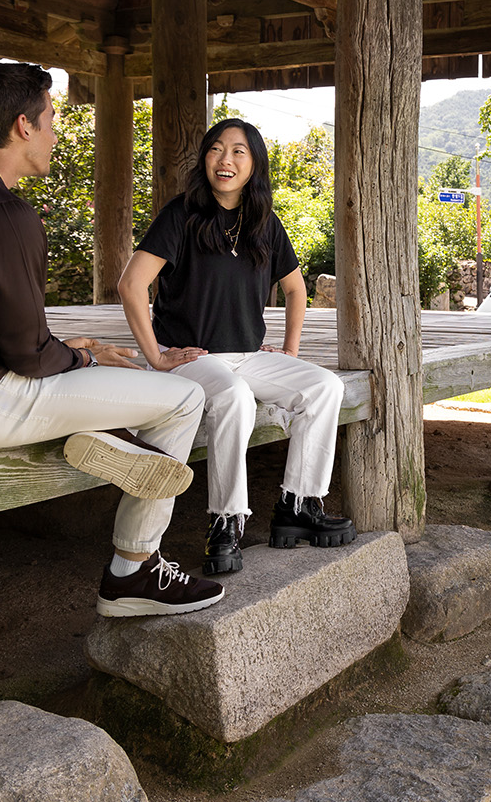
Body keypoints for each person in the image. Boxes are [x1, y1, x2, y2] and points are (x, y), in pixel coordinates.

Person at [0, 62, 223, 617]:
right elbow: (27, 352)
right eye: (51, 121)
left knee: (98, 374)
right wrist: (84, 354)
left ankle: (115, 438)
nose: (53, 134)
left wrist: (75, 352)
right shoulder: (4, 211)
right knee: (185, 397)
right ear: (24, 126)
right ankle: (133, 570)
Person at [118, 118, 354, 577]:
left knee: (325, 387)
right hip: (192, 359)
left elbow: (295, 289)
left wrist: (289, 348)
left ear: (254, 164)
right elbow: (131, 285)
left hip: (248, 355)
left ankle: (298, 506)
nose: (225, 160)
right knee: (233, 395)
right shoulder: (181, 214)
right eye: (216, 150)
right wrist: (156, 356)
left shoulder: (263, 223)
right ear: (205, 157)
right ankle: (226, 522)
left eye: (238, 152)